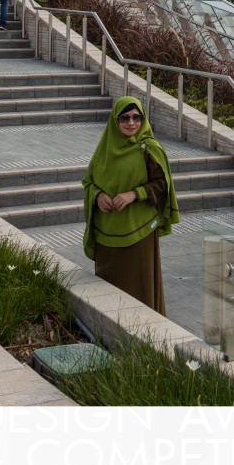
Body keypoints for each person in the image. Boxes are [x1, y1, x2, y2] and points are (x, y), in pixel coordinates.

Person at [81, 97, 179, 314]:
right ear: (115, 121)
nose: (131, 123)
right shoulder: (105, 149)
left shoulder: (148, 148)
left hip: (139, 232)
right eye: (124, 117)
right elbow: (89, 181)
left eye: (137, 117)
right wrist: (97, 196)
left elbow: (163, 184)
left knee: (140, 291)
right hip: (107, 234)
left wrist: (135, 194)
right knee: (109, 291)